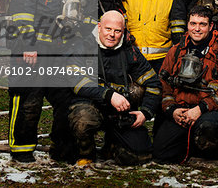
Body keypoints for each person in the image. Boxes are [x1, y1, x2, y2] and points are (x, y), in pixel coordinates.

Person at [7, 0, 80, 163]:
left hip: (56, 49)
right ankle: (21, 151)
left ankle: (61, 148)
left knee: (65, 97)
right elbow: (22, 7)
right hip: (31, 47)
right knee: (28, 98)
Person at [69, 10, 161, 166]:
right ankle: (86, 153)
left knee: (139, 157)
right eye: (108, 29)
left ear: (123, 32)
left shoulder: (130, 51)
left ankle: (111, 146)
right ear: (99, 27)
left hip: (120, 113)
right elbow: (75, 81)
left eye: (117, 31)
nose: (112, 34)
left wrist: (145, 112)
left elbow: (154, 84)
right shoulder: (83, 46)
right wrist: (108, 95)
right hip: (92, 107)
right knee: (82, 119)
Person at [153, 5, 218, 163]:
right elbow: (164, 85)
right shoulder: (176, 51)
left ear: (211, 26)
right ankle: (189, 145)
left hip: (209, 112)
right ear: (187, 25)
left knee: (208, 129)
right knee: (161, 154)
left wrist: (200, 109)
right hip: (181, 111)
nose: (197, 29)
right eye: (193, 23)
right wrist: (173, 110)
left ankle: (217, 149)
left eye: (202, 24)